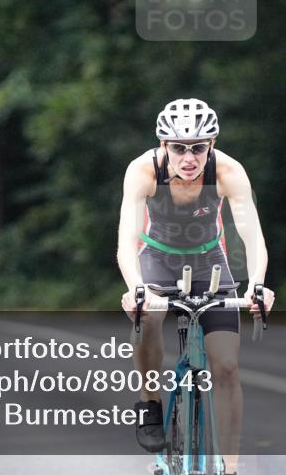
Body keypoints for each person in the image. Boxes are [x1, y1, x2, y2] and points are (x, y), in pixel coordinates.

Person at [118, 98, 275, 475]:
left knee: (226, 366)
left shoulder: (228, 172)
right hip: (157, 258)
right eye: (178, 148)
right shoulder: (143, 171)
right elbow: (127, 240)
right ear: (163, 146)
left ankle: (230, 468)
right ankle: (150, 399)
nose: (189, 158)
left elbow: (252, 236)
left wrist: (257, 285)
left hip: (208, 263)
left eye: (198, 148)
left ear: (212, 146)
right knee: (148, 317)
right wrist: (137, 288)